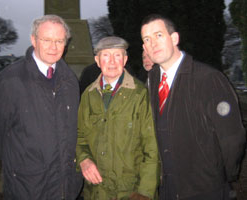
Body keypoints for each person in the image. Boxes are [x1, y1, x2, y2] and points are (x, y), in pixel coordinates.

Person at [141, 14, 246, 200]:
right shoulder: (153, 78)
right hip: (168, 188)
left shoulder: (208, 79)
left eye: (158, 35)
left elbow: (232, 139)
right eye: (147, 39)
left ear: (174, 38)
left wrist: (220, 176)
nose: (153, 44)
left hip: (204, 190)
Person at [0, 15, 83, 200]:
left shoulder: (70, 81)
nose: (53, 47)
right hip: (28, 188)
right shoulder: (9, 81)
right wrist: (22, 163)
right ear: (33, 40)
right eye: (46, 40)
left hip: (66, 187)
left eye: (59, 41)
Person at [76, 36, 161, 199]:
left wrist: (143, 193)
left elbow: (152, 147)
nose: (112, 62)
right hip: (96, 191)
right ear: (97, 61)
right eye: (106, 55)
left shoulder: (140, 94)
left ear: (125, 59)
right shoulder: (88, 95)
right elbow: (80, 136)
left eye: (117, 55)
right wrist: (84, 159)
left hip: (131, 191)